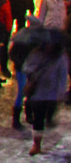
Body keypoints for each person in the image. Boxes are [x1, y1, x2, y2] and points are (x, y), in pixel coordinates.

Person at [28, 27, 70, 155]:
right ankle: (37, 144)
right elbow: (28, 67)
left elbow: (63, 76)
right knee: (38, 119)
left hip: (52, 93)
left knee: (47, 115)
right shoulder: (37, 53)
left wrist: (60, 93)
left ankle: (49, 118)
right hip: (38, 93)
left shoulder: (61, 57)